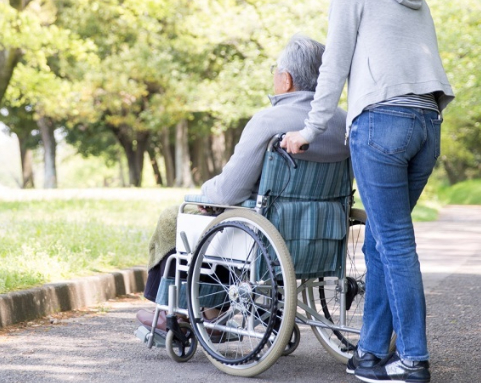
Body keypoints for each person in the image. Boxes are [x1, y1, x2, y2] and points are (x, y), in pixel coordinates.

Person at [281, 0, 454, 383]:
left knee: (394, 242)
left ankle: (414, 358)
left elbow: (333, 66)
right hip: (426, 124)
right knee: (380, 241)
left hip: (382, 123)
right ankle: (372, 354)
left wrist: (309, 131)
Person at [137, 35, 349, 331]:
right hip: (321, 234)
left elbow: (228, 191)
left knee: (178, 217)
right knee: (228, 219)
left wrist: (203, 194)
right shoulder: (345, 124)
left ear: (286, 80)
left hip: (265, 232)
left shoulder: (269, 120)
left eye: (275, 71)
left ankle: (173, 311)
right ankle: (211, 312)